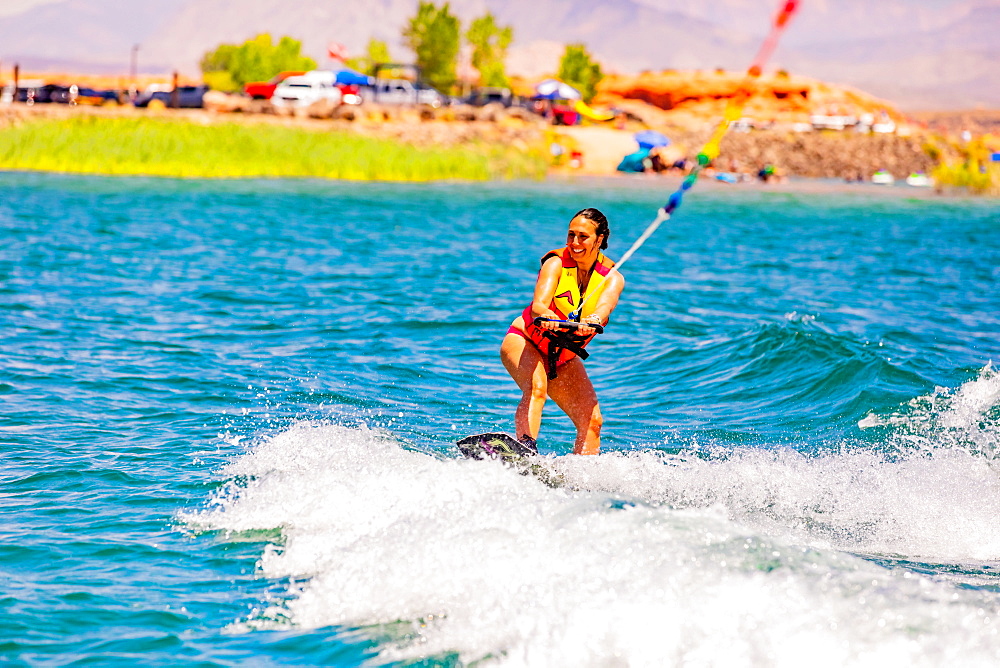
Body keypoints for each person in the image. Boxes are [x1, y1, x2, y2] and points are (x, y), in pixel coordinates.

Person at [500, 208, 625, 455]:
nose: (574, 243)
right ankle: (525, 451)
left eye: (583, 237)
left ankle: (583, 477)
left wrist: (593, 320)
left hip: (563, 357)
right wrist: (545, 317)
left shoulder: (612, 278)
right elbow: (538, 305)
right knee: (537, 388)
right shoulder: (556, 263)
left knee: (592, 420)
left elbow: (604, 307)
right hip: (525, 340)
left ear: (599, 239)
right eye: (571, 235)